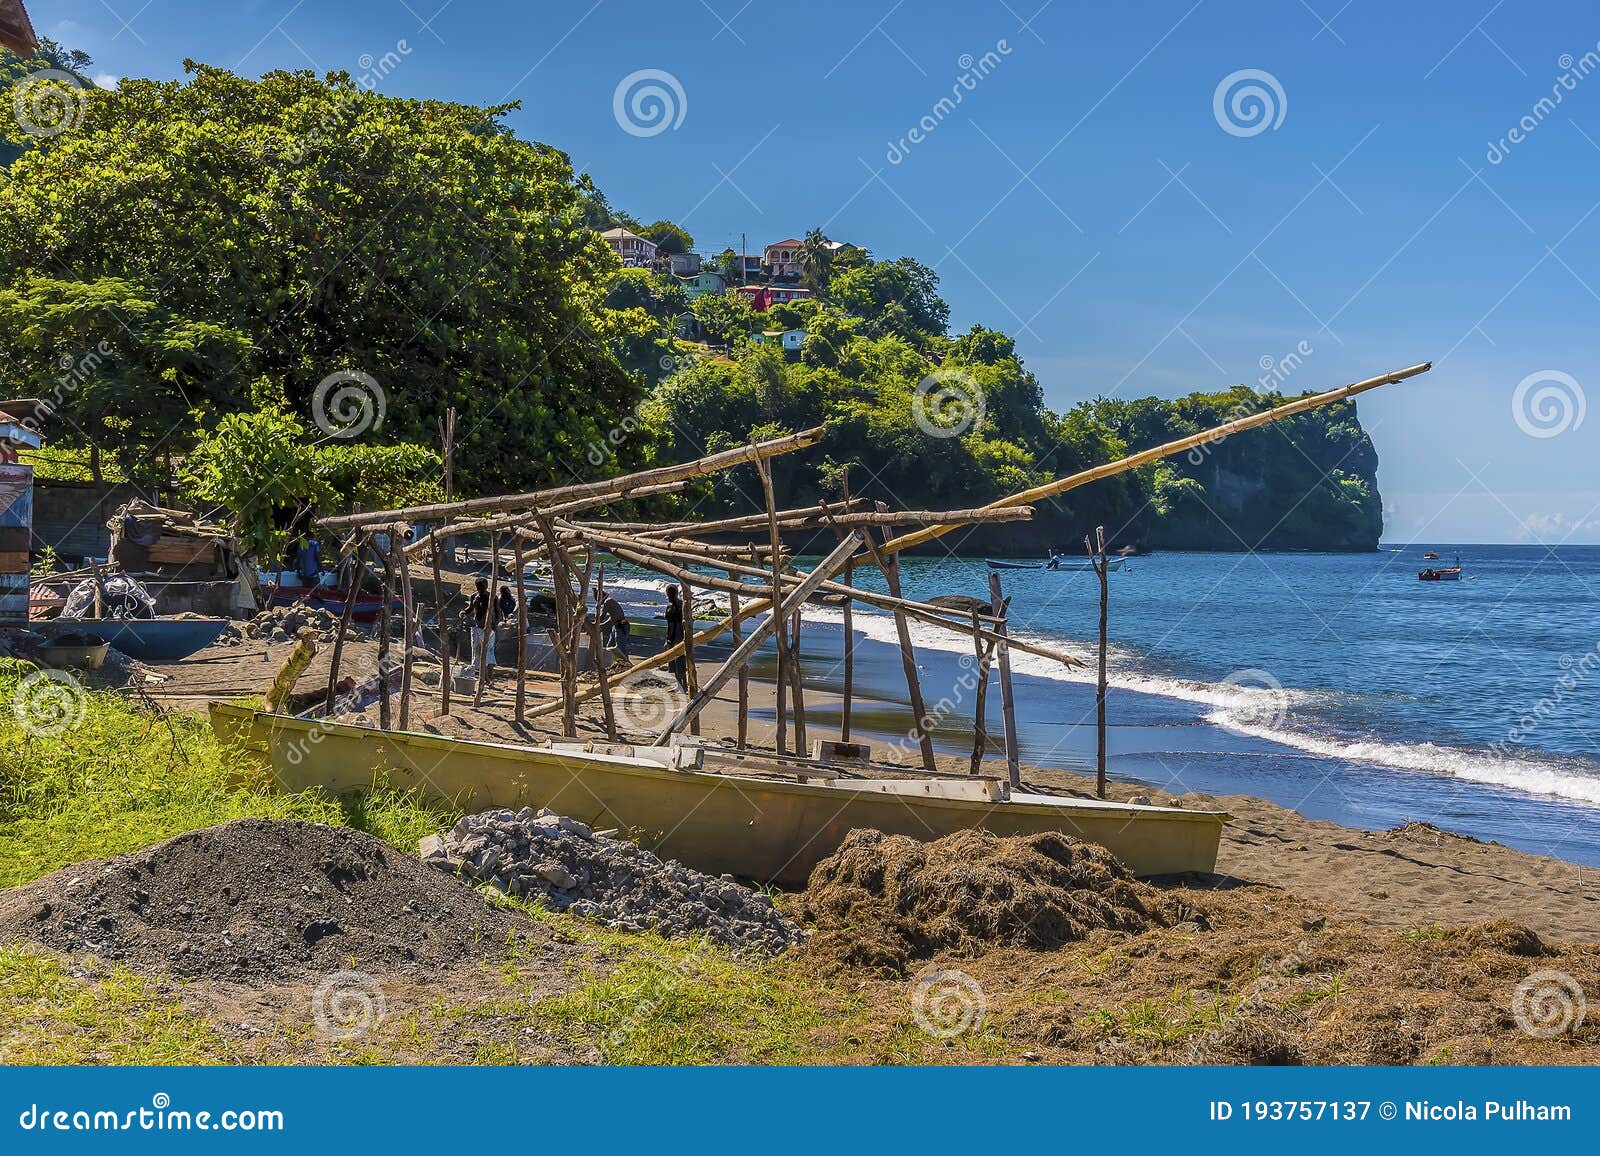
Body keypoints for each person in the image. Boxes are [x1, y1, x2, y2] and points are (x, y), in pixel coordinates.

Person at [468, 577, 500, 678]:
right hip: (477, 627)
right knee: (477, 651)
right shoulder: (474, 596)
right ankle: (481, 675)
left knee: (488, 651)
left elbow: (498, 613)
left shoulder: (492, 597)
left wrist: (494, 626)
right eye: (479, 587)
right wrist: (464, 612)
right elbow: (470, 608)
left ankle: (488, 675)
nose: (481, 589)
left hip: (489, 628)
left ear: (486, 586)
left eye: (483, 587)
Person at [594, 583, 630, 659]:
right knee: (610, 646)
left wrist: (596, 623)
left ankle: (625, 662)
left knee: (620, 647)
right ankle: (612, 661)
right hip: (618, 625)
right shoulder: (610, 602)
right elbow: (612, 618)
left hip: (621, 624)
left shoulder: (608, 602)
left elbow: (602, 616)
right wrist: (601, 624)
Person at [663, 584, 687, 690]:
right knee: (672, 661)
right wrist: (667, 638)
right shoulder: (669, 607)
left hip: (679, 635)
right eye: (669, 594)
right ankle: (679, 684)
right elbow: (669, 624)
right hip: (671, 635)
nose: (670, 596)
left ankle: (684, 684)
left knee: (680, 661)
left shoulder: (681, 606)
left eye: (671, 594)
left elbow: (684, 623)